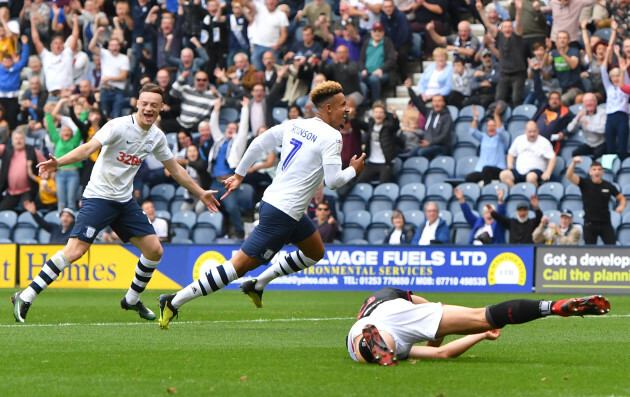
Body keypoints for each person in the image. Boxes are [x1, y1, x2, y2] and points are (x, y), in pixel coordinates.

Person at [157, 81, 366, 329]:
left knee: (315, 252)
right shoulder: (332, 136)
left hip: (283, 207)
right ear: (328, 108)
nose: (347, 109)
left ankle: (258, 284)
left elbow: (258, 143)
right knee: (236, 268)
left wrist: (240, 174)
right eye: (343, 105)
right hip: (282, 214)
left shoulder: (295, 124)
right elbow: (332, 182)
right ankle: (172, 301)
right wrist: (353, 170)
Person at [10, 83, 220, 323]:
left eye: (154, 105)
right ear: (137, 104)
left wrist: (201, 191)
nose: (148, 108)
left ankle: (131, 299)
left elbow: (176, 170)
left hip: (124, 201)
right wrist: (59, 162)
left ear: (161, 108)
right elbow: (88, 148)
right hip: (99, 197)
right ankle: (25, 296)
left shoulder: (156, 137)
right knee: (76, 251)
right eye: (145, 104)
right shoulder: (117, 126)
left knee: (154, 250)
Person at [347, 287, 610, 366]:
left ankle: (371, 345)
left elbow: (440, 353)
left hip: (370, 324)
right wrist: (482, 333)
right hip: (405, 318)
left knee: (362, 343)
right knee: (486, 315)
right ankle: (551, 307)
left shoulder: (375, 303)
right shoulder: (394, 294)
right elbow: (439, 348)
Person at [566, 157, 626, 244]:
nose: (597, 172)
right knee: (589, 251)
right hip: (589, 224)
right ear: (590, 172)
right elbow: (569, 175)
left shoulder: (608, 186)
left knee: (612, 248)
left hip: (605, 223)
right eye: (594, 169)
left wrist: (622, 206)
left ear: (602, 172)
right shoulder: (584, 183)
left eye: (599, 169)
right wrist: (574, 163)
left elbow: (622, 198)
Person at [500, 121, 557, 188]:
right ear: (526, 131)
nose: (532, 134)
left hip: (535, 172)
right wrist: (510, 164)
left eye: (534, 131)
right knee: (503, 175)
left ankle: (534, 196)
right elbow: (510, 154)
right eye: (530, 132)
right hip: (519, 171)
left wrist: (548, 172)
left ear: (538, 131)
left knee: (530, 177)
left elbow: (553, 158)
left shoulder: (544, 142)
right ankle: (516, 192)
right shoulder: (519, 140)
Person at [464, 104, 509, 186]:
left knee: (486, 169)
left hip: (498, 170)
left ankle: (487, 190)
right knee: (469, 178)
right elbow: (473, 131)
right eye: (489, 126)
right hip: (483, 170)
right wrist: (476, 117)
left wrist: (496, 115)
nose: (491, 127)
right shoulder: (484, 137)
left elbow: (500, 130)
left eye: (493, 125)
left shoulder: (501, 138)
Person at [566, 92, 607, 158]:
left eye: (591, 101)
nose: (589, 103)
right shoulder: (582, 113)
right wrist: (577, 118)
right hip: (589, 144)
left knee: (597, 155)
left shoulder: (602, 113)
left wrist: (588, 126)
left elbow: (603, 129)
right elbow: (569, 129)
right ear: (583, 104)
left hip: (601, 143)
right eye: (586, 101)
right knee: (575, 154)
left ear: (596, 102)